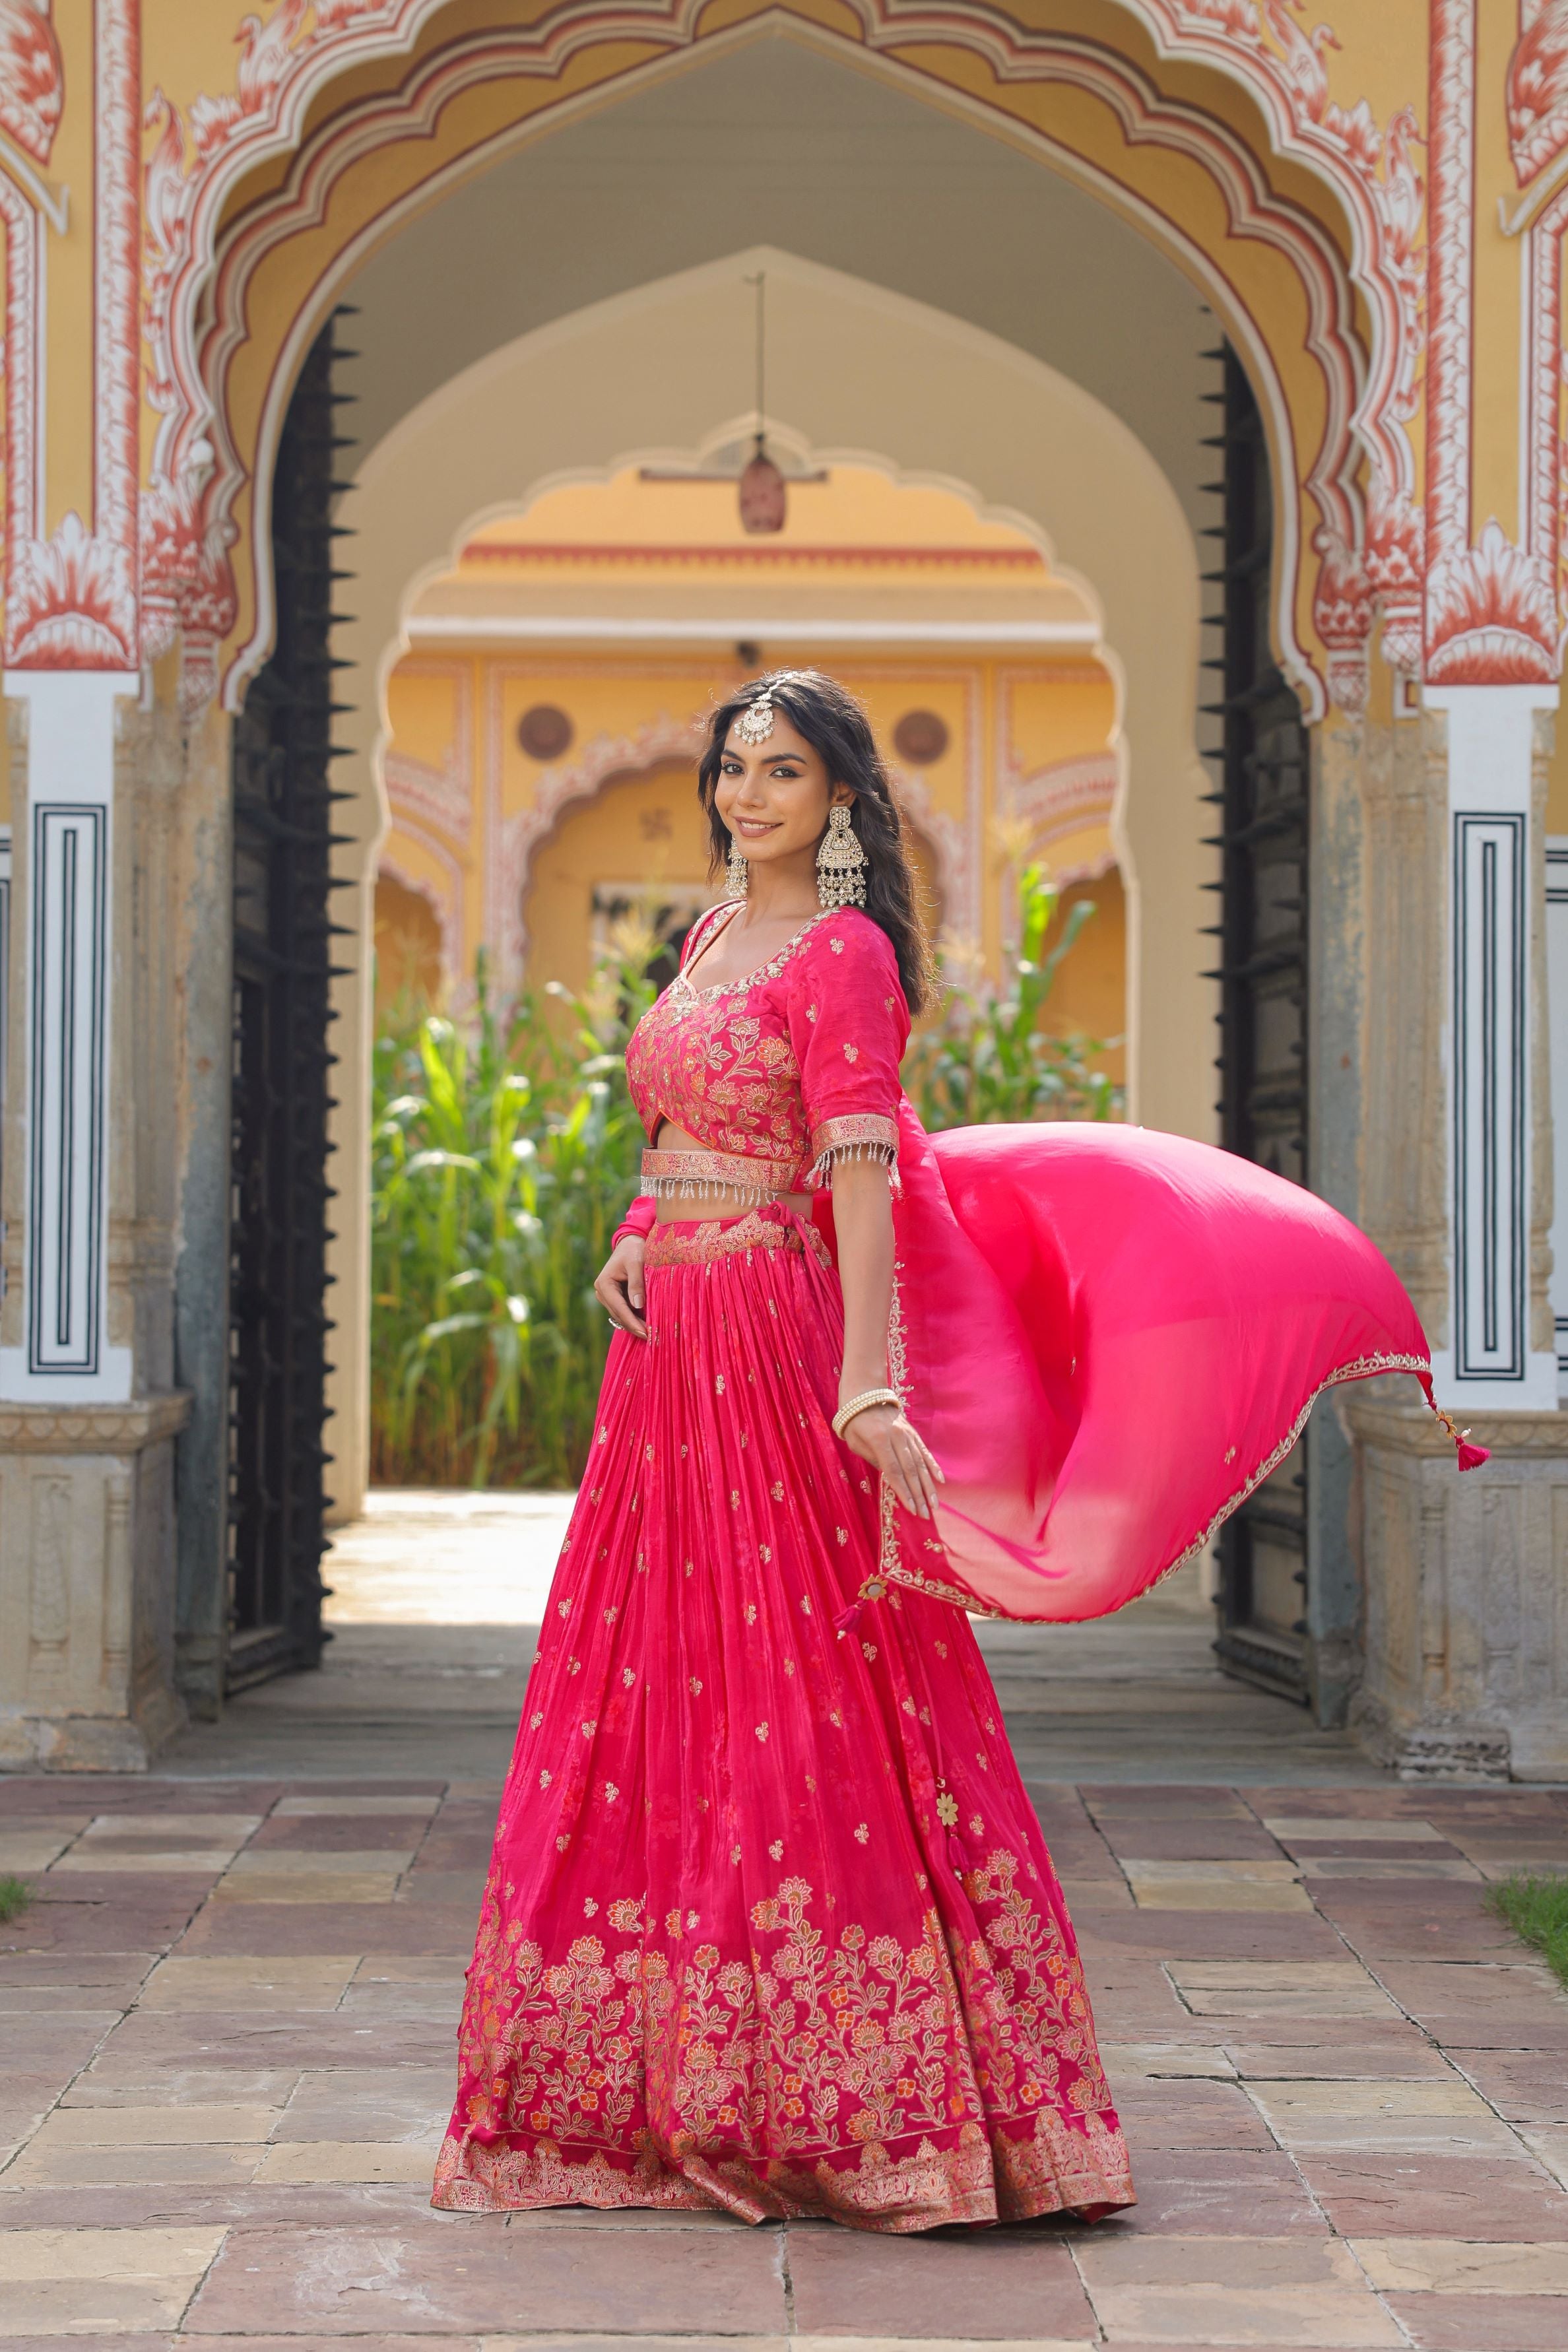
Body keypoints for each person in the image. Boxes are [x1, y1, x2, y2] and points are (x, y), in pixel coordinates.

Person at [433, 669, 1474, 2233]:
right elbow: (675, 1133)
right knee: (667, 1686)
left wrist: (866, 1386)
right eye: (732, 769)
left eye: (780, 773)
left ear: (842, 798)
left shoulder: (844, 954)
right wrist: (641, 1233)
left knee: (813, 1690)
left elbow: (853, 1167)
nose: (745, 796)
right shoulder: (715, 937)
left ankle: (874, 2107)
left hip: (783, 1355)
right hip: (670, 1365)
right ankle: (666, 2087)